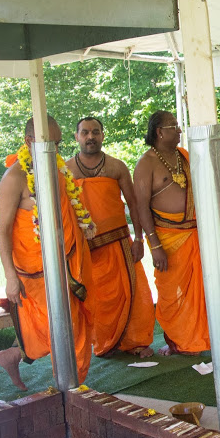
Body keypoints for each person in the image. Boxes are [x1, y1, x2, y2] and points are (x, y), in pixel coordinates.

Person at [0, 115, 95, 389]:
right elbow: (3, 231)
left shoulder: (57, 169)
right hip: (35, 268)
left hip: (67, 259)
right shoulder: (14, 178)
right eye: (50, 144)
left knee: (68, 323)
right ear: (30, 141)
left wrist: (83, 226)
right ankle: (71, 388)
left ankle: (16, 356)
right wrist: (10, 277)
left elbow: (66, 207)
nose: (55, 150)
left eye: (58, 144)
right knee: (57, 326)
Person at [66, 117, 155, 358]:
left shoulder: (117, 167)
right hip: (85, 249)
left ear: (103, 135)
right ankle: (103, 341)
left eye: (95, 132)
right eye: (85, 132)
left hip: (118, 243)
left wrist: (139, 239)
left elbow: (133, 205)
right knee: (95, 298)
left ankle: (135, 341)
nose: (90, 137)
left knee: (130, 293)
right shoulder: (66, 170)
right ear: (76, 137)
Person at [133, 111, 209, 356]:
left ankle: (199, 338)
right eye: (173, 126)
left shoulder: (184, 155)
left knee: (201, 290)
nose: (179, 130)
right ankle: (178, 340)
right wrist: (154, 245)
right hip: (167, 238)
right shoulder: (146, 163)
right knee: (171, 292)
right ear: (159, 132)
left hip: (195, 234)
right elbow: (141, 207)